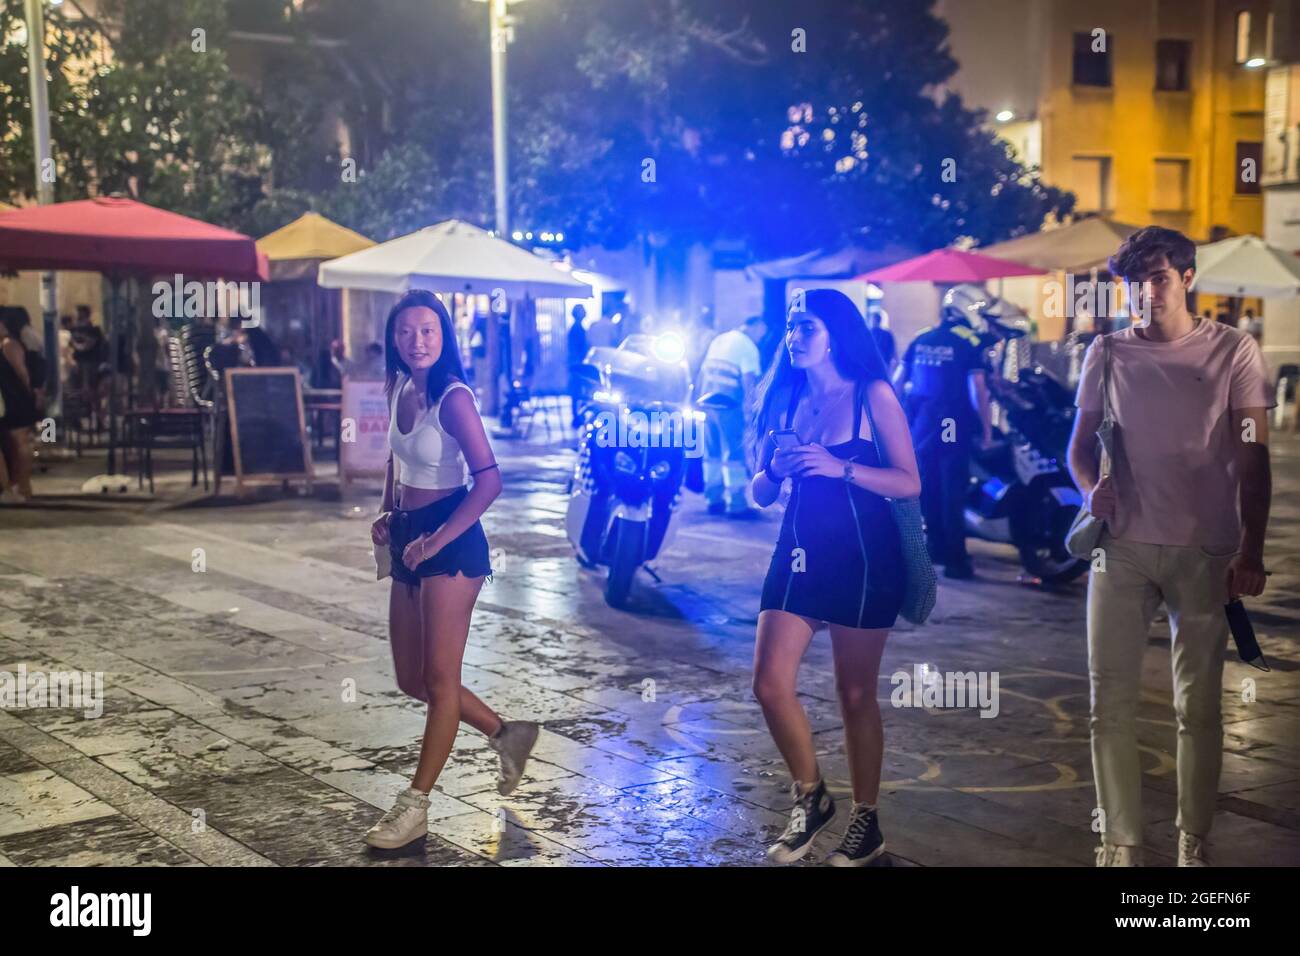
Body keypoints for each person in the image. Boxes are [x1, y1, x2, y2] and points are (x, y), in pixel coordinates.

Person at [1067, 226, 1274, 867]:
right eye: (1133, 282)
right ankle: (1120, 842)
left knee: (1199, 708)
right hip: (1122, 548)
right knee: (1109, 705)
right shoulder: (1106, 352)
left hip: (1204, 551)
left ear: (1187, 278)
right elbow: (1077, 450)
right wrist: (1089, 490)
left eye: (1157, 278)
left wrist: (1252, 549)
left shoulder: (1234, 351)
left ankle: (1193, 837)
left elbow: (1254, 457)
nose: (1144, 293)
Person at [750, 289, 921, 866]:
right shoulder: (786, 397)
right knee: (769, 683)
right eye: (792, 326)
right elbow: (759, 493)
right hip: (797, 551)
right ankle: (811, 796)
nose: (795, 336)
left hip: (864, 558)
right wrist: (774, 469)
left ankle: (866, 822)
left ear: (837, 334)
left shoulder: (873, 395)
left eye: (808, 327)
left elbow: (908, 481)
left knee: (854, 696)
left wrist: (841, 466)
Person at [364, 290, 539, 850]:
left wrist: (436, 538)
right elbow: (397, 456)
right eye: (408, 331)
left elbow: (489, 480)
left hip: (452, 538)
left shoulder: (455, 398)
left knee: (440, 680)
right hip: (409, 533)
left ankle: (414, 808)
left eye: (429, 331)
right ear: (395, 338)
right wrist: (388, 511)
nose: (418, 341)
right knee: (411, 679)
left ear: (444, 337)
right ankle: (506, 734)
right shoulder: (396, 388)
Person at [894, 287, 994, 579]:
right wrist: (987, 427)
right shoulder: (970, 342)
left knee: (928, 486)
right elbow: (978, 389)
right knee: (953, 491)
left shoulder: (921, 338)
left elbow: (898, 383)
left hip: (921, 426)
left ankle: (934, 547)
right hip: (952, 425)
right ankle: (956, 561)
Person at [698, 314, 767, 517]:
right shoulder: (748, 347)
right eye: (761, 332)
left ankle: (713, 498)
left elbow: (702, 371)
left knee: (712, 454)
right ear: (755, 326)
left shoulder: (720, 339)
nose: (761, 337)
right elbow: (749, 381)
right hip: (730, 405)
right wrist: (751, 409)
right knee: (734, 454)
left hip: (707, 402)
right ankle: (736, 503)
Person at [0, 314, 38, 501]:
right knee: (15, 443)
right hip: (11, 399)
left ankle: (24, 486)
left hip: (17, 399)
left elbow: (22, 373)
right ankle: (20, 486)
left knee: (20, 441)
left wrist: (29, 394)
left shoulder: (9, 344)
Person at [566, 304, 589, 426]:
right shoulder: (577, 329)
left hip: (576, 363)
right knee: (577, 391)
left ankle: (578, 415)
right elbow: (577, 348)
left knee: (578, 391)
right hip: (577, 364)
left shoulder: (577, 328)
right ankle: (577, 416)